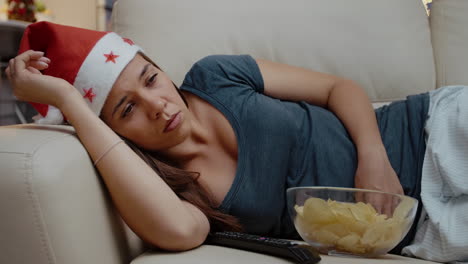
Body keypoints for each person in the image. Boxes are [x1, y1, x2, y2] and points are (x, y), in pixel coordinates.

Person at [5, 21, 468, 262]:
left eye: (150, 78)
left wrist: (373, 157)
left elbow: (338, 88)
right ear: (112, 130)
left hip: (427, 130)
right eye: (127, 109)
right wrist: (70, 101)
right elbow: (183, 233)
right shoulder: (172, 188)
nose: (158, 105)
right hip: (419, 230)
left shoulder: (216, 76)